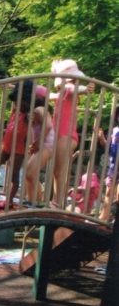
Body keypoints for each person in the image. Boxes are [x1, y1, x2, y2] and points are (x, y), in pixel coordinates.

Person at [50, 59, 95, 207]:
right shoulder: (63, 93)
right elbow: (49, 94)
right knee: (61, 170)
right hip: (67, 135)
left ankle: (58, 202)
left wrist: (86, 88)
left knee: (59, 170)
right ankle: (58, 202)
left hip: (65, 135)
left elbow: (75, 88)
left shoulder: (68, 88)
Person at [0, 80, 34, 209]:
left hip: (19, 148)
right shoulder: (15, 111)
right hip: (5, 145)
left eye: (23, 101)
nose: (19, 103)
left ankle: (9, 200)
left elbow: (36, 110)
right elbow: (16, 98)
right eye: (18, 100)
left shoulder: (28, 115)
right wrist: (14, 88)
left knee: (13, 174)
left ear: (28, 102)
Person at [24, 85, 55, 205]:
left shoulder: (40, 109)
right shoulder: (37, 110)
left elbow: (47, 126)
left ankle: (38, 203)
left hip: (46, 144)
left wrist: (36, 144)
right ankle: (32, 201)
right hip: (43, 144)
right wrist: (33, 145)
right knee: (28, 173)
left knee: (31, 173)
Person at [98, 106, 119, 221]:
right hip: (114, 166)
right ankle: (104, 217)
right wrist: (102, 139)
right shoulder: (115, 130)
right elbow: (109, 148)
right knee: (108, 194)